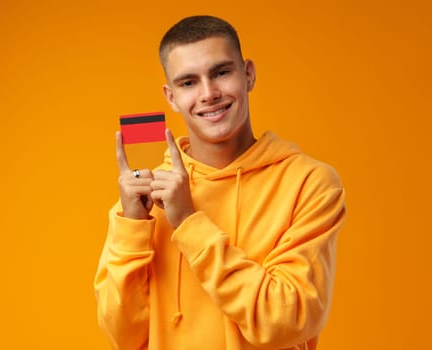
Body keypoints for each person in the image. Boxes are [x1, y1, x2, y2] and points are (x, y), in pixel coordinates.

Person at [94, 15, 346, 350]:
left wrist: (188, 222)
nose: (208, 94)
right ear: (171, 97)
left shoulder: (310, 183)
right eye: (188, 83)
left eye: (221, 72)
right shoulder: (144, 201)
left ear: (248, 75)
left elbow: (288, 321)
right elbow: (122, 337)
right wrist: (132, 228)